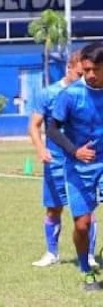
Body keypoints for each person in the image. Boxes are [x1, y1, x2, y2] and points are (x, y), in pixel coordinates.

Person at [28, 51, 98, 268]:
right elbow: (35, 125)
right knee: (54, 207)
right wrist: (40, 149)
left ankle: (89, 256)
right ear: (70, 68)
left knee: (87, 211)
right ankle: (52, 253)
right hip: (56, 160)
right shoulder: (50, 93)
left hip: (83, 162)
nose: (86, 77)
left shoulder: (91, 92)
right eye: (81, 73)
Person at [48, 41, 103, 292]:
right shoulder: (70, 96)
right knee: (82, 225)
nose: (91, 74)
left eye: (96, 69)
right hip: (77, 169)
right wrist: (74, 150)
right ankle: (85, 269)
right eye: (87, 69)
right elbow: (51, 129)